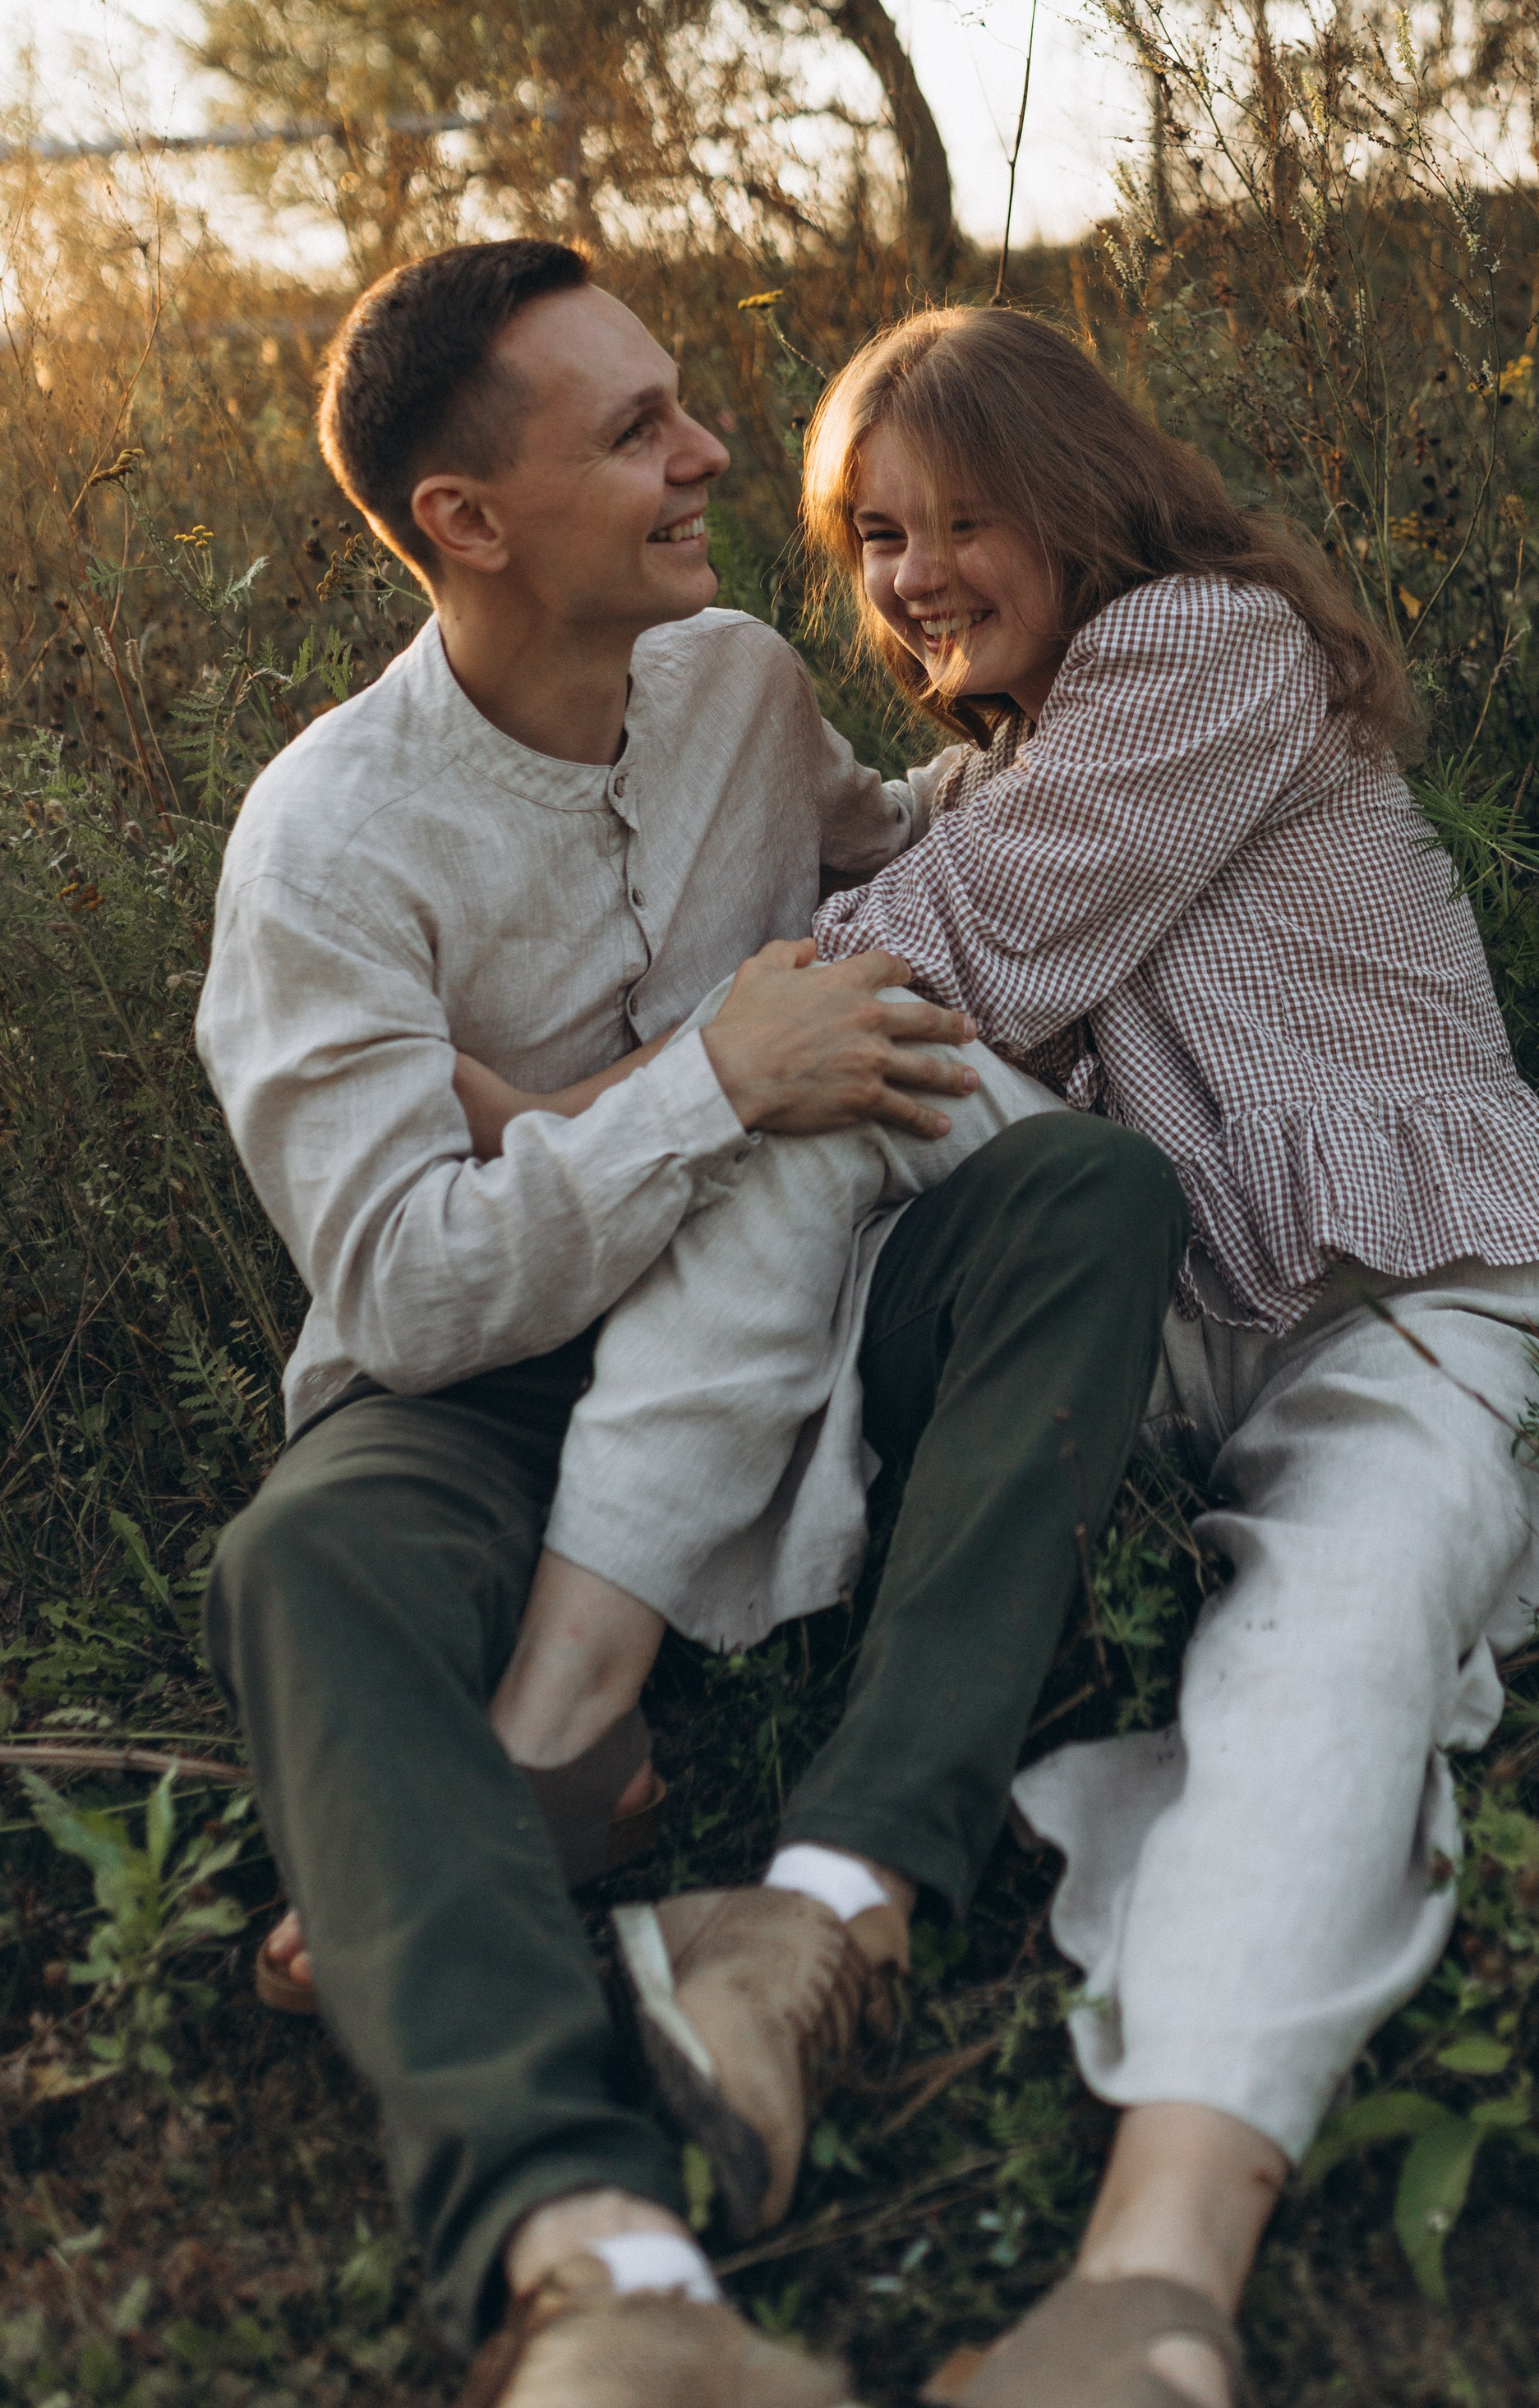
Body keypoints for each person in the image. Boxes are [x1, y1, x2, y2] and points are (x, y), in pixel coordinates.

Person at [196, 244, 1187, 2408]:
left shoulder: (734, 676)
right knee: (305, 1559)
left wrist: (1131, 721)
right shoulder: (324, 849)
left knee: (1086, 1199)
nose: (711, 453)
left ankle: (835, 1897)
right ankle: (594, 2255)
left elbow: (894, 844)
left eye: (681, 406)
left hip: (806, 1317)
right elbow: (403, 1285)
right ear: (468, 520)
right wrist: (707, 1086)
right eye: (637, 429)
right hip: (485, 1397)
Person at [787, 306, 1539, 2408]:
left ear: (1080, 497)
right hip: (1188, 1317)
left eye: (962, 518)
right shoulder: (1009, 764)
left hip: (1419, 1288)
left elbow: (937, 954)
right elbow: (880, 887)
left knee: (1329, 1647)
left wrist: (678, 1049)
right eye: (877, 536)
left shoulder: (1206, 652)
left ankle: (1154, 2287)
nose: (912, 576)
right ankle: (591, 1628)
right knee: (801, 1142)